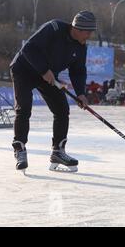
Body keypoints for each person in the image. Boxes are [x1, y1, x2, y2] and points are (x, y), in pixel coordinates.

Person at [9, 11, 96, 172]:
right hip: (24, 70)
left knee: (62, 109)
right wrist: (43, 70)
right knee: (24, 108)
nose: (89, 35)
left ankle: (58, 151)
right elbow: (29, 48)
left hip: (48, 76)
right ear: (76, 28)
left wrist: (81, 93)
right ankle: (19, 148)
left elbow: (78, 71)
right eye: (87, 31)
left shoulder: (81, 46)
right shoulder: (54, 28)